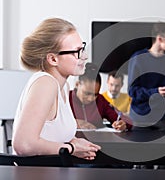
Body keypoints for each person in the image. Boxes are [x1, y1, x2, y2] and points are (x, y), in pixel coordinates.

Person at [12, 18, 101, 160]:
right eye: (76, 52)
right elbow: (23, 145)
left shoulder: (63, 86)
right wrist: (72, 148)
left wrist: (73, 142)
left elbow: (50, 135)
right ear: (53, 59)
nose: (84, 56)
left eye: (82, 48)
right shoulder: (46, 83)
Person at [128, 22, 165, 131]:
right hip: (140, 120)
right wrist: (155, 92)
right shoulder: (138, 58)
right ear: (160, 38)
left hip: (164, 121)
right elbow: (132, 91)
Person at [69, 63, 131, 131]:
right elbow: (55, 123)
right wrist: (72, 122)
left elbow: (127, 121)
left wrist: (123, 124)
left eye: (95, 94)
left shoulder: (100, 101)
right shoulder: (65, 98)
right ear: (77, 84)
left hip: (96, 140)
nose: (91, 99)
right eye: (87, 93)